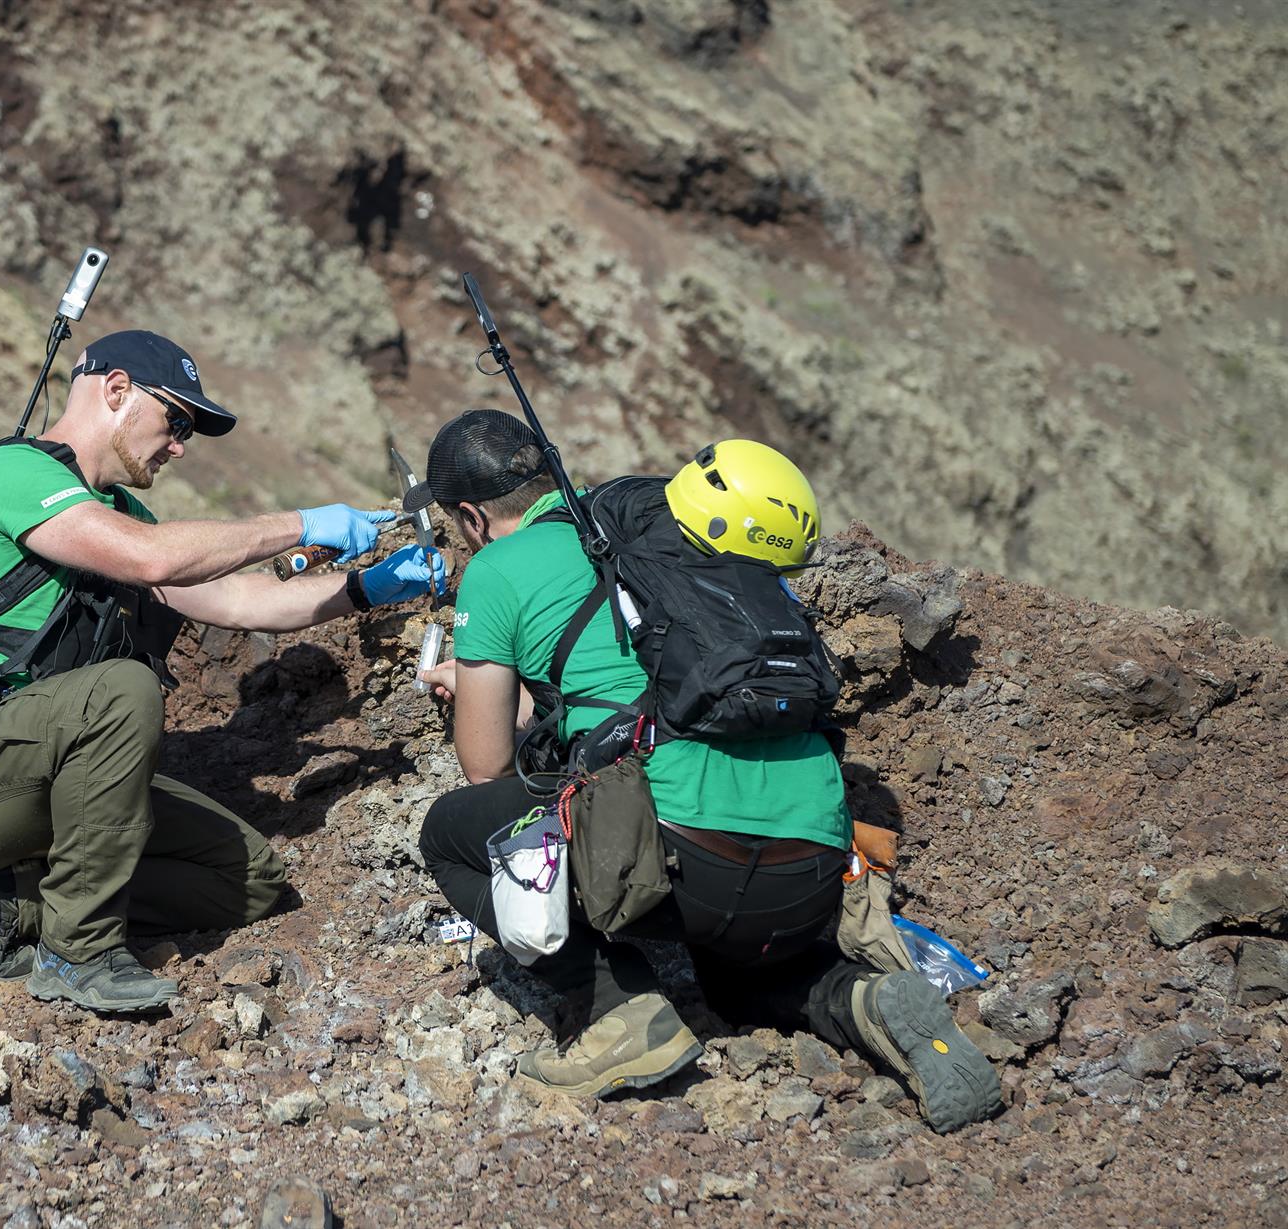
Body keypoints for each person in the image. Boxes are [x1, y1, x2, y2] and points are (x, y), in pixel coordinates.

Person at [409, 409, 1001, 1133]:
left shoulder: (500, 565)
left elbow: (487, 765)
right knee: (733, 976)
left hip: (679, 864)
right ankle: (862, 998)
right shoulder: (675, 536)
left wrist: (474, 692)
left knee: (448, 832)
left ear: (471, 516)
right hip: (810, 866)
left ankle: (616, 1011)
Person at [0, 330, 445, 1015]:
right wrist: (300, 522)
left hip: (52, 774)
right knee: (123, 692)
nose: (180, 444)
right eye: (175, 420)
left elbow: (245, 600)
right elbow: (150, 559)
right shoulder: (13, 476)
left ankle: (11, 909)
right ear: (116, 389)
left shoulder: (120, 514)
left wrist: (371, 587)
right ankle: (78, 954)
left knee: (249, 877)